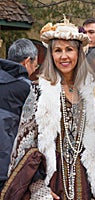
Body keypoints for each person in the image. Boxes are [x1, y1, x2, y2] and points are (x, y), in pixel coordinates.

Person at [0, 16, 95, 199]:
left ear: (79, 53)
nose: (63, 56)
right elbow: (23, 147)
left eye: (69, 50)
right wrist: (37, 187)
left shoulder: (92, 92)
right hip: (52, 181)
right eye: (57, 50)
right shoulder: (38, 92)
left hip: (86, 181)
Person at [0, 38, 38, 192]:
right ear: (27, 61)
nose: (34, 71)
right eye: (35, 66)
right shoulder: (26, 89)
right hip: (6, 168)